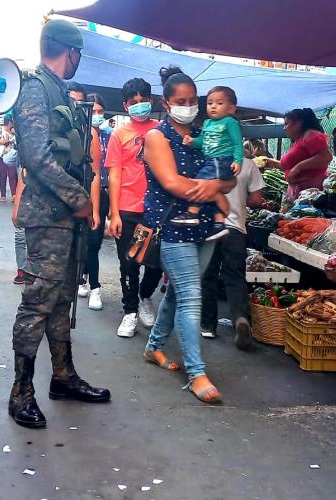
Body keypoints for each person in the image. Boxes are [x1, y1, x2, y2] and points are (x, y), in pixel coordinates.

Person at [8, 19, 110, 430]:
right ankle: (21, 394)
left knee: (63, 299)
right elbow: (36, 156)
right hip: (49, 217)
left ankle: (63, 377)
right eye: (79, 55)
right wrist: (79, 198)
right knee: (37, 302)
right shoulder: (34, 86)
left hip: (66, 219)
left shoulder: (56, 89)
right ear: (71, 51)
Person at [142, 66, 228, 404]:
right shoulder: (156, 137)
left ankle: (153, 348)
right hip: (172, 226)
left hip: (206, 228)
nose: (188, 106)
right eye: (181, 101)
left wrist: (218, 189)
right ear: (166, 103)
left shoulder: (207, 133)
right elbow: (172, 184)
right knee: (193, 296)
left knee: (178, 293)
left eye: (193, 100)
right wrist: (216, 191)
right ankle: (196, 373)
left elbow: (230, 177)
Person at [106, 77, 164, 338]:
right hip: (129, 209)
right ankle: (130, 312)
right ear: (125, 105)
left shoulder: (162, 130)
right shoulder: (120, 134)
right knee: (129, 262)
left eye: (143, 101)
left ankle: (145, 296)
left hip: (156, 209)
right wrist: (114, 213)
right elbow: (114, 175)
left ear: (151, 101)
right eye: (133, 102)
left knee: (156, 262)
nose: (139, 106)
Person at [201, 156, 265, 345]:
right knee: (235, 277)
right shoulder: (247, 164)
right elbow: (256, 199)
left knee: (208, 275)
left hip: (209, 228)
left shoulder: (205, 159)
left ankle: (208, 326)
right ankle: (240, 319)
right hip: (235, 229)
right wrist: (240, 198)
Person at [176, 86, 242, 237]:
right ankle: (219, 223)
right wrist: (192, 141)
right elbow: (203, 142)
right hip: (211, 160)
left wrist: (238, 160)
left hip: (222, 160)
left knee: (200, 182)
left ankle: (192, 212)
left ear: (231, 109)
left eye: (219, 103)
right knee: (213, 189)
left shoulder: (230, 122)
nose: (213, 106)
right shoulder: (207, 124)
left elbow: (237, 143)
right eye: (210, 103)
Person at [264, 108, 332, 206]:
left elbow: (326, 157)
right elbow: (290, 167)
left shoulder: (310, 134)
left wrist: (298, 167)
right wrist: (273, 162)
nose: (284, 128)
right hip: (299, 193)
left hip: (310, 194)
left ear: (298, 123)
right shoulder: (298, 140)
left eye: (287, 124)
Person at [78, 93, 109, 310]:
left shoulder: (109, 136)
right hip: (81, 193)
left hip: (104, 194)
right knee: (84, 241)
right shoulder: (78, 135)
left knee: (94, 242)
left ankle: (93, 283)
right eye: (93, 111)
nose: (96, 115)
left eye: (100, 112)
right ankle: (86, 280)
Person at [0, 115, 18, 201]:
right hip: (1, 156)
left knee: (12, 175)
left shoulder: (14, 132)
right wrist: (2, 142)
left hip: (11, 156)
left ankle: (14, 195)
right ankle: (3, 195)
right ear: (10, 122)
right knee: (3, 175)